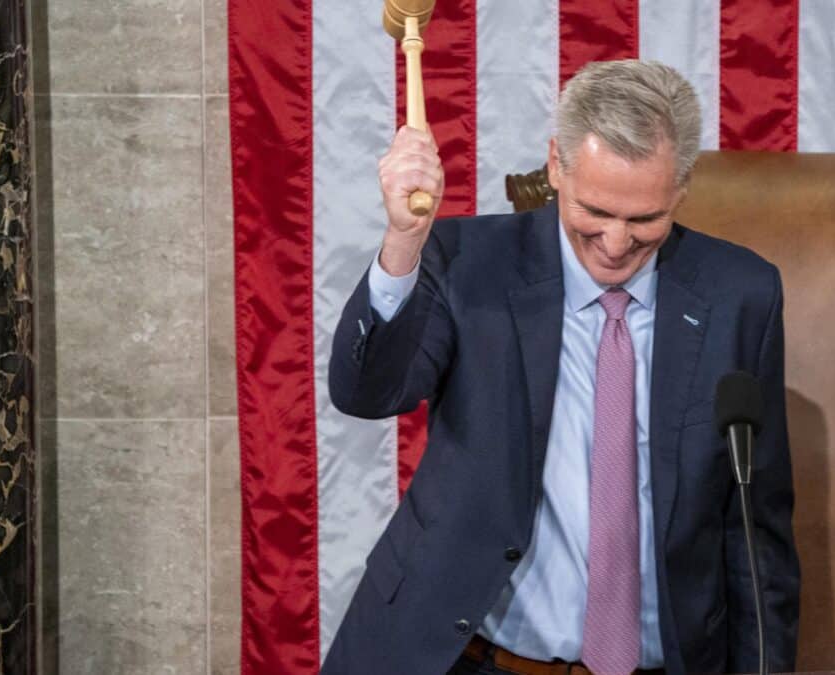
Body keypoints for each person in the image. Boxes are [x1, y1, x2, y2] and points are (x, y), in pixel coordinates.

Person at [322, 60, 799, 675]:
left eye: (644, 219)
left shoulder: (742, 296)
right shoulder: (468, 264)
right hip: (464, 658)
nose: (617, 243)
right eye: (595, 212)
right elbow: (366, 392)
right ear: (556, 165)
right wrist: (402, 243)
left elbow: (758, 536)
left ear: (682, 188)